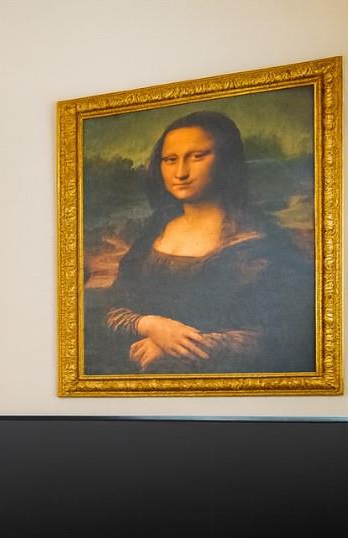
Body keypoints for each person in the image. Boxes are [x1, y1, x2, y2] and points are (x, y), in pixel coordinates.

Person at [85, 111, 314, 375]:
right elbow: (111, 309)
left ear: (225, 161)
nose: (180, 172)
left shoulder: (257, 244)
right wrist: (149, 325)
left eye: (197, 156)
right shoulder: (152, 231)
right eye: (170, 160)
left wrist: (180, 347)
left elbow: (281, 335)